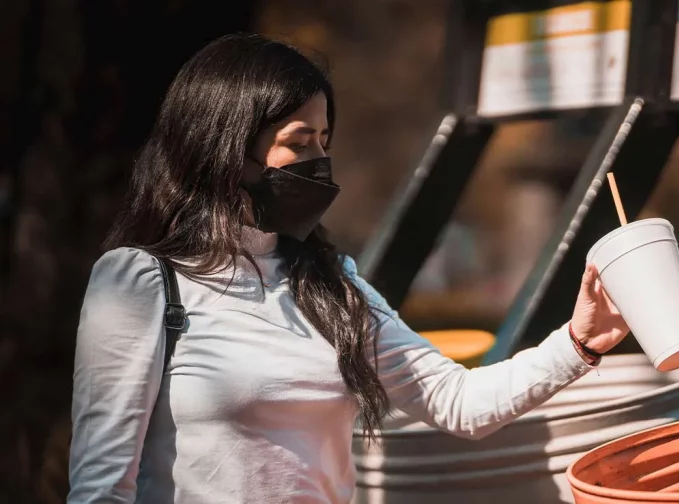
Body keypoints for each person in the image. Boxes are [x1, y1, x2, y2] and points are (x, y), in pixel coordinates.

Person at [67, 34, 630, 503]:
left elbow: (459, 402)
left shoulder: (334, 285)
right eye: (298, 141)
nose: (319, 161)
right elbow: (101, 486)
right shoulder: (141, 282)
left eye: (325, 140)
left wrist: (581, 341)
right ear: (225, 147)